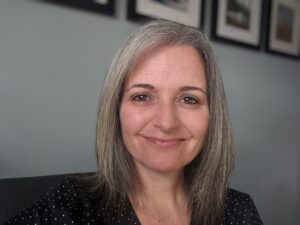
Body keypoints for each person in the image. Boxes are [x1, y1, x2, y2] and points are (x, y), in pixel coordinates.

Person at [4, 20, 263, 225]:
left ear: (213, 114)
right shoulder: (70, 207)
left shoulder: (238, 210)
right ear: (116, 109)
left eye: (188, 99)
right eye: (142, 96)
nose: (166, 121)